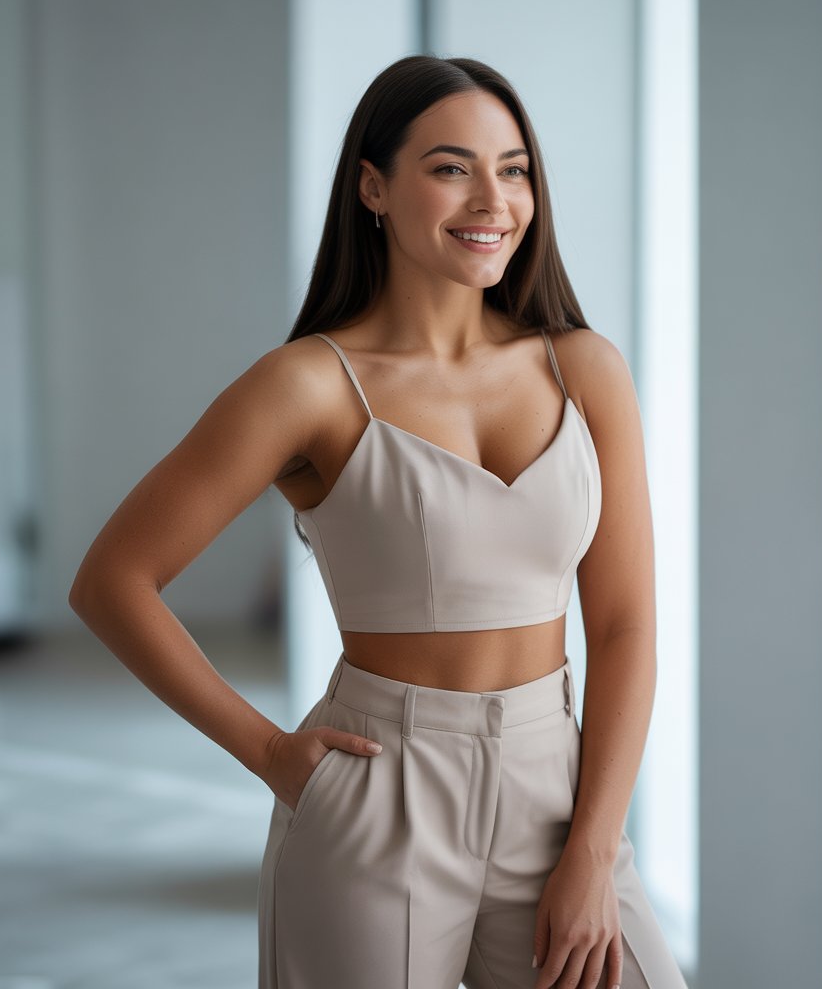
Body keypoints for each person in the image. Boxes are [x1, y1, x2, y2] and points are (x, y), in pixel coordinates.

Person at [69, 55, 687, 989]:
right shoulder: (309, 385)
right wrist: (271, 754)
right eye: (451, 168)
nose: (492, 199)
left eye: (513, 168)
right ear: (373, 186)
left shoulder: (584, 369)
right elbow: (113, 580)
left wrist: (595, 850)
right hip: (378, 792)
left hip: (556, 788)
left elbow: (625, 623)